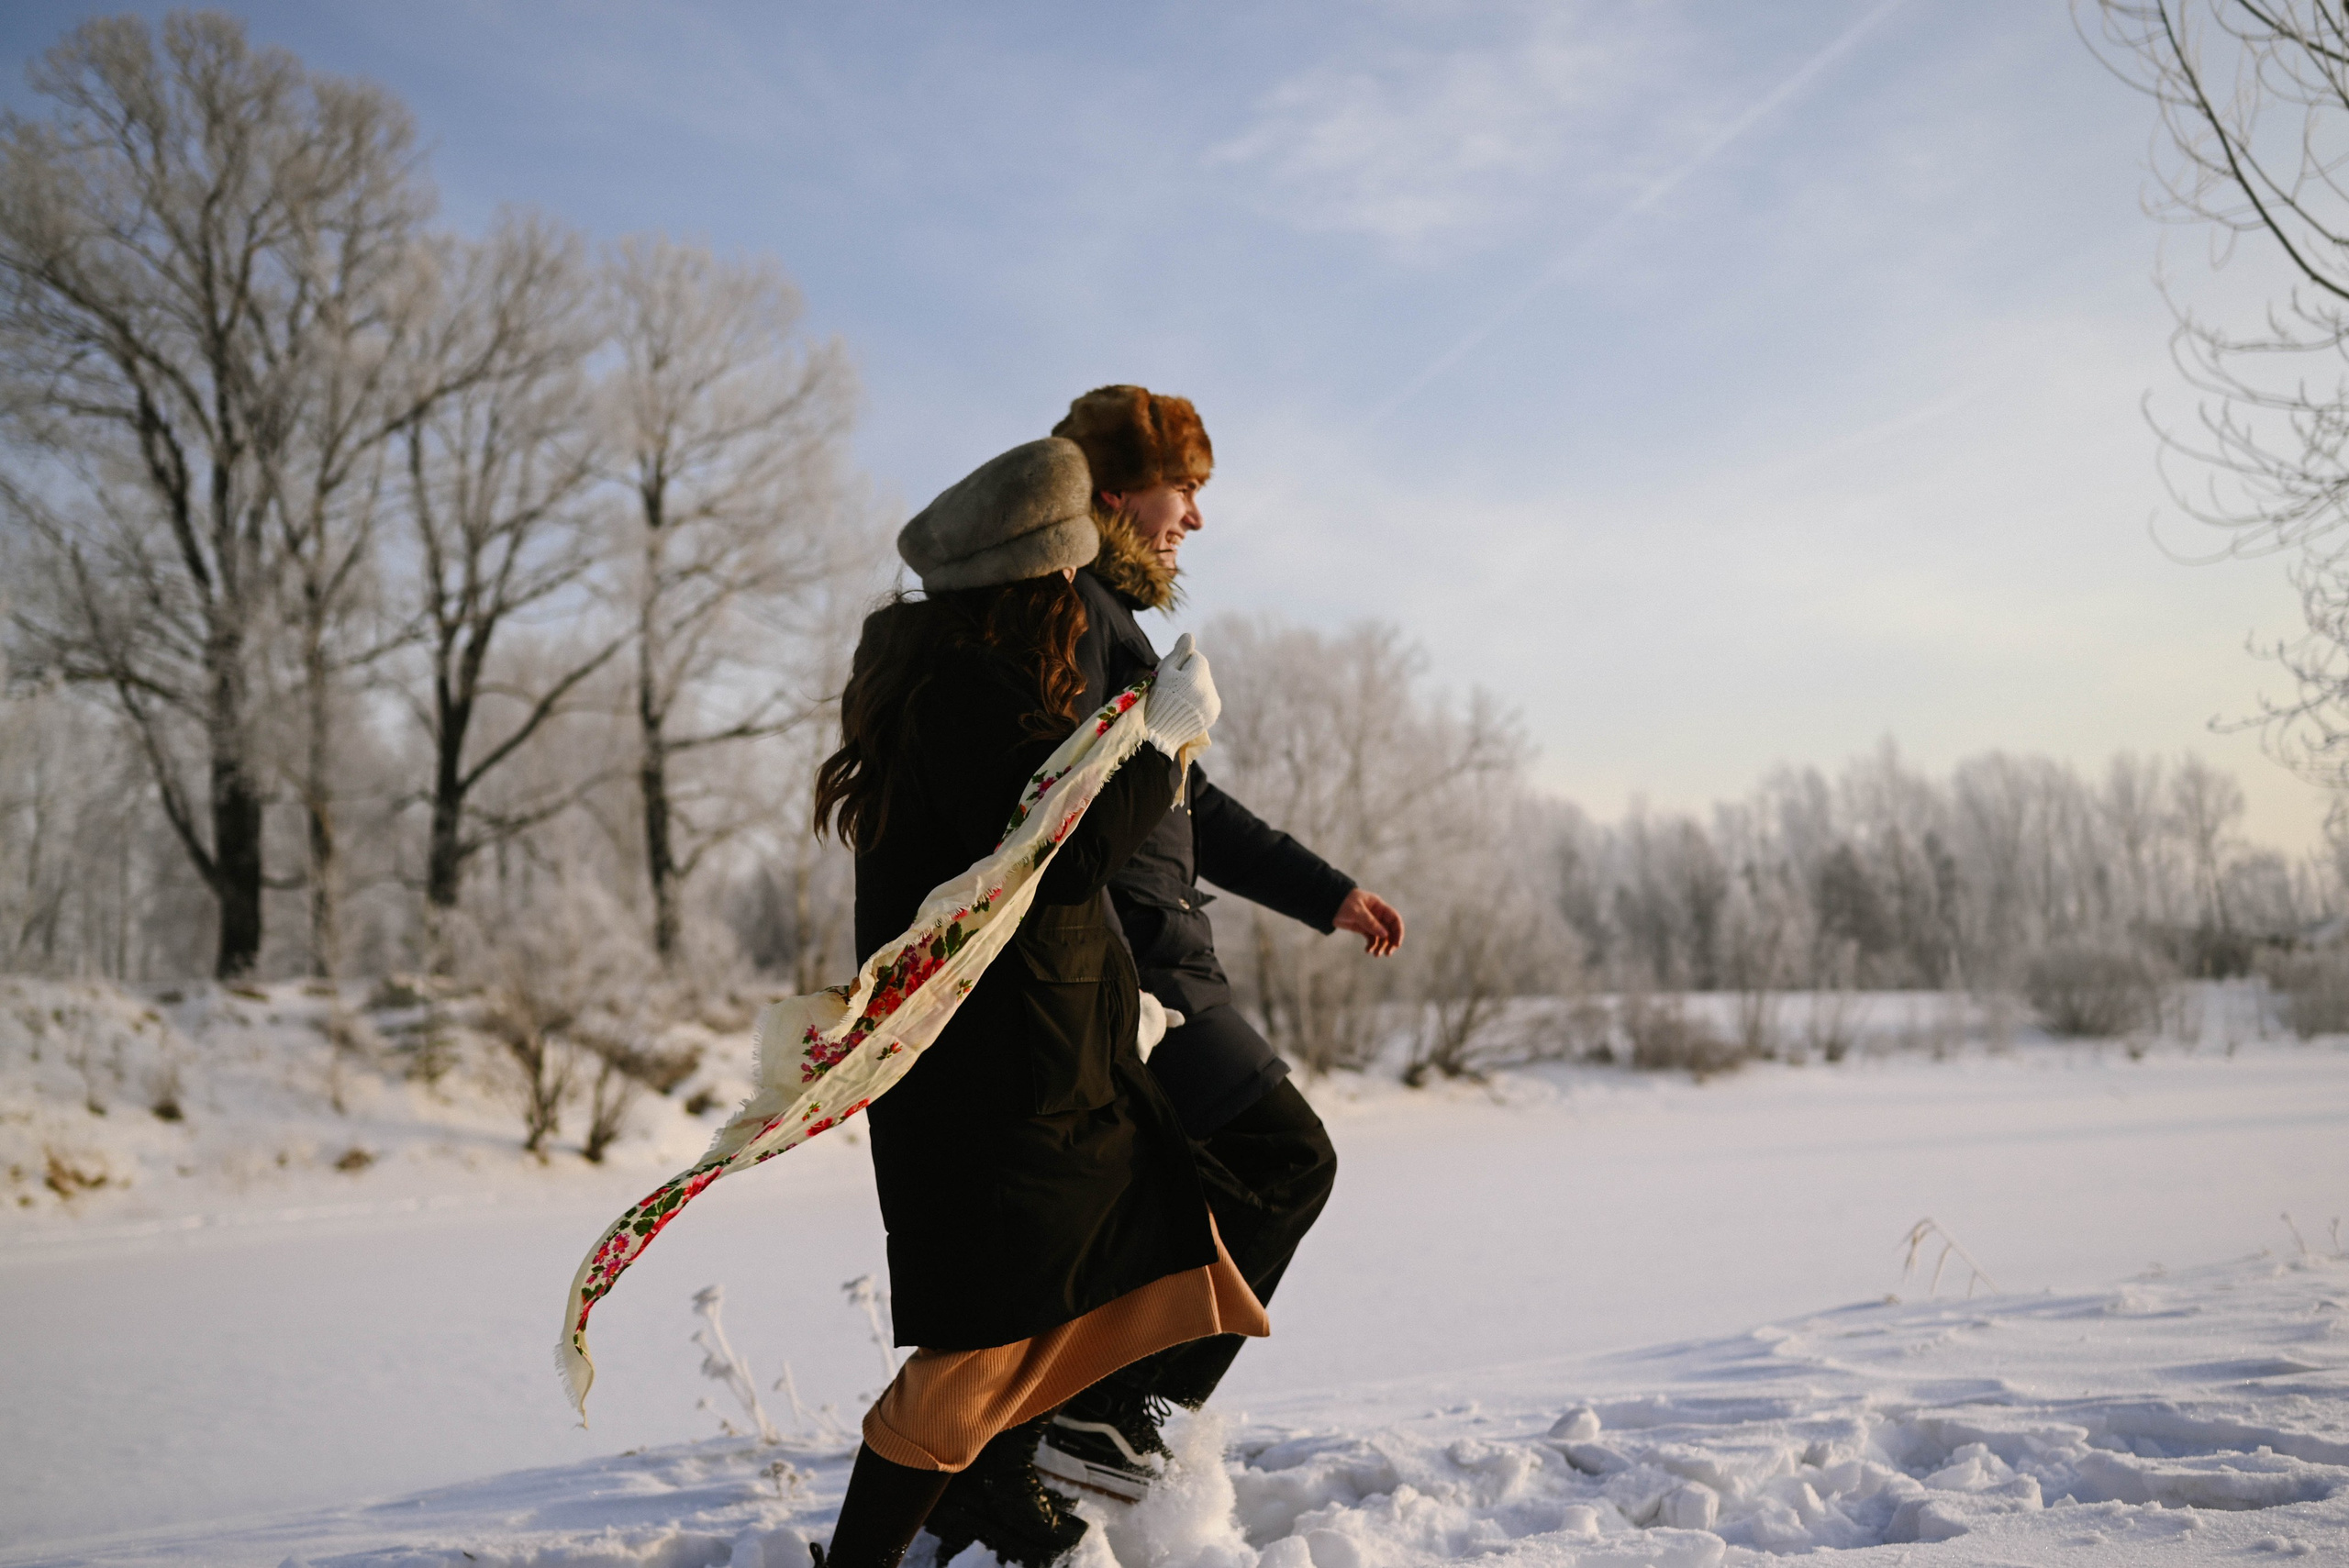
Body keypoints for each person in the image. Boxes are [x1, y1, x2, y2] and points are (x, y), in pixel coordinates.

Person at [809, 437, 1264, 1568]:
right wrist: (1159, 742)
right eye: (1067, 580)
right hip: (998, 1088)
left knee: (1128, 1261)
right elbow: (1059, 854)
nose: (1078, 601)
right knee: (977, 1345)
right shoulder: (966, 690)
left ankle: (1016, 1481)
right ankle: (901, 1539)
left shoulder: (969, 681)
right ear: (1032, 589)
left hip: (1034, 1069)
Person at [1029, 385, 1406, 1500]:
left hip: (1156, 965)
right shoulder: (1074, 618)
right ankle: (1115, 1420)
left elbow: (1194, 804)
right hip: (1135, 976)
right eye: (1182, 488)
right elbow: (1079, 819)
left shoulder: (1111, 622)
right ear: (1113, 490)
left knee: (1159, 1209)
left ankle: (1051, 1436)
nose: (1194, 515)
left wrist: (1325, 891)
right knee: (1289, 1160)